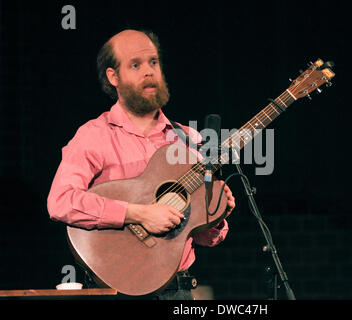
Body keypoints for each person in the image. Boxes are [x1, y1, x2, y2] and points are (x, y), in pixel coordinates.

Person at [47, 29, 235, 300]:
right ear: (114, 77)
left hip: (178, 290)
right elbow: (61, 201)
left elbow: (203, 236)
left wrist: (217, 213)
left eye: (153, 63)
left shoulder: (189, 140)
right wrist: (137, 213)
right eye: (135, 65)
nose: (148, 72)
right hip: (115, 290)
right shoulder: (94, 135)